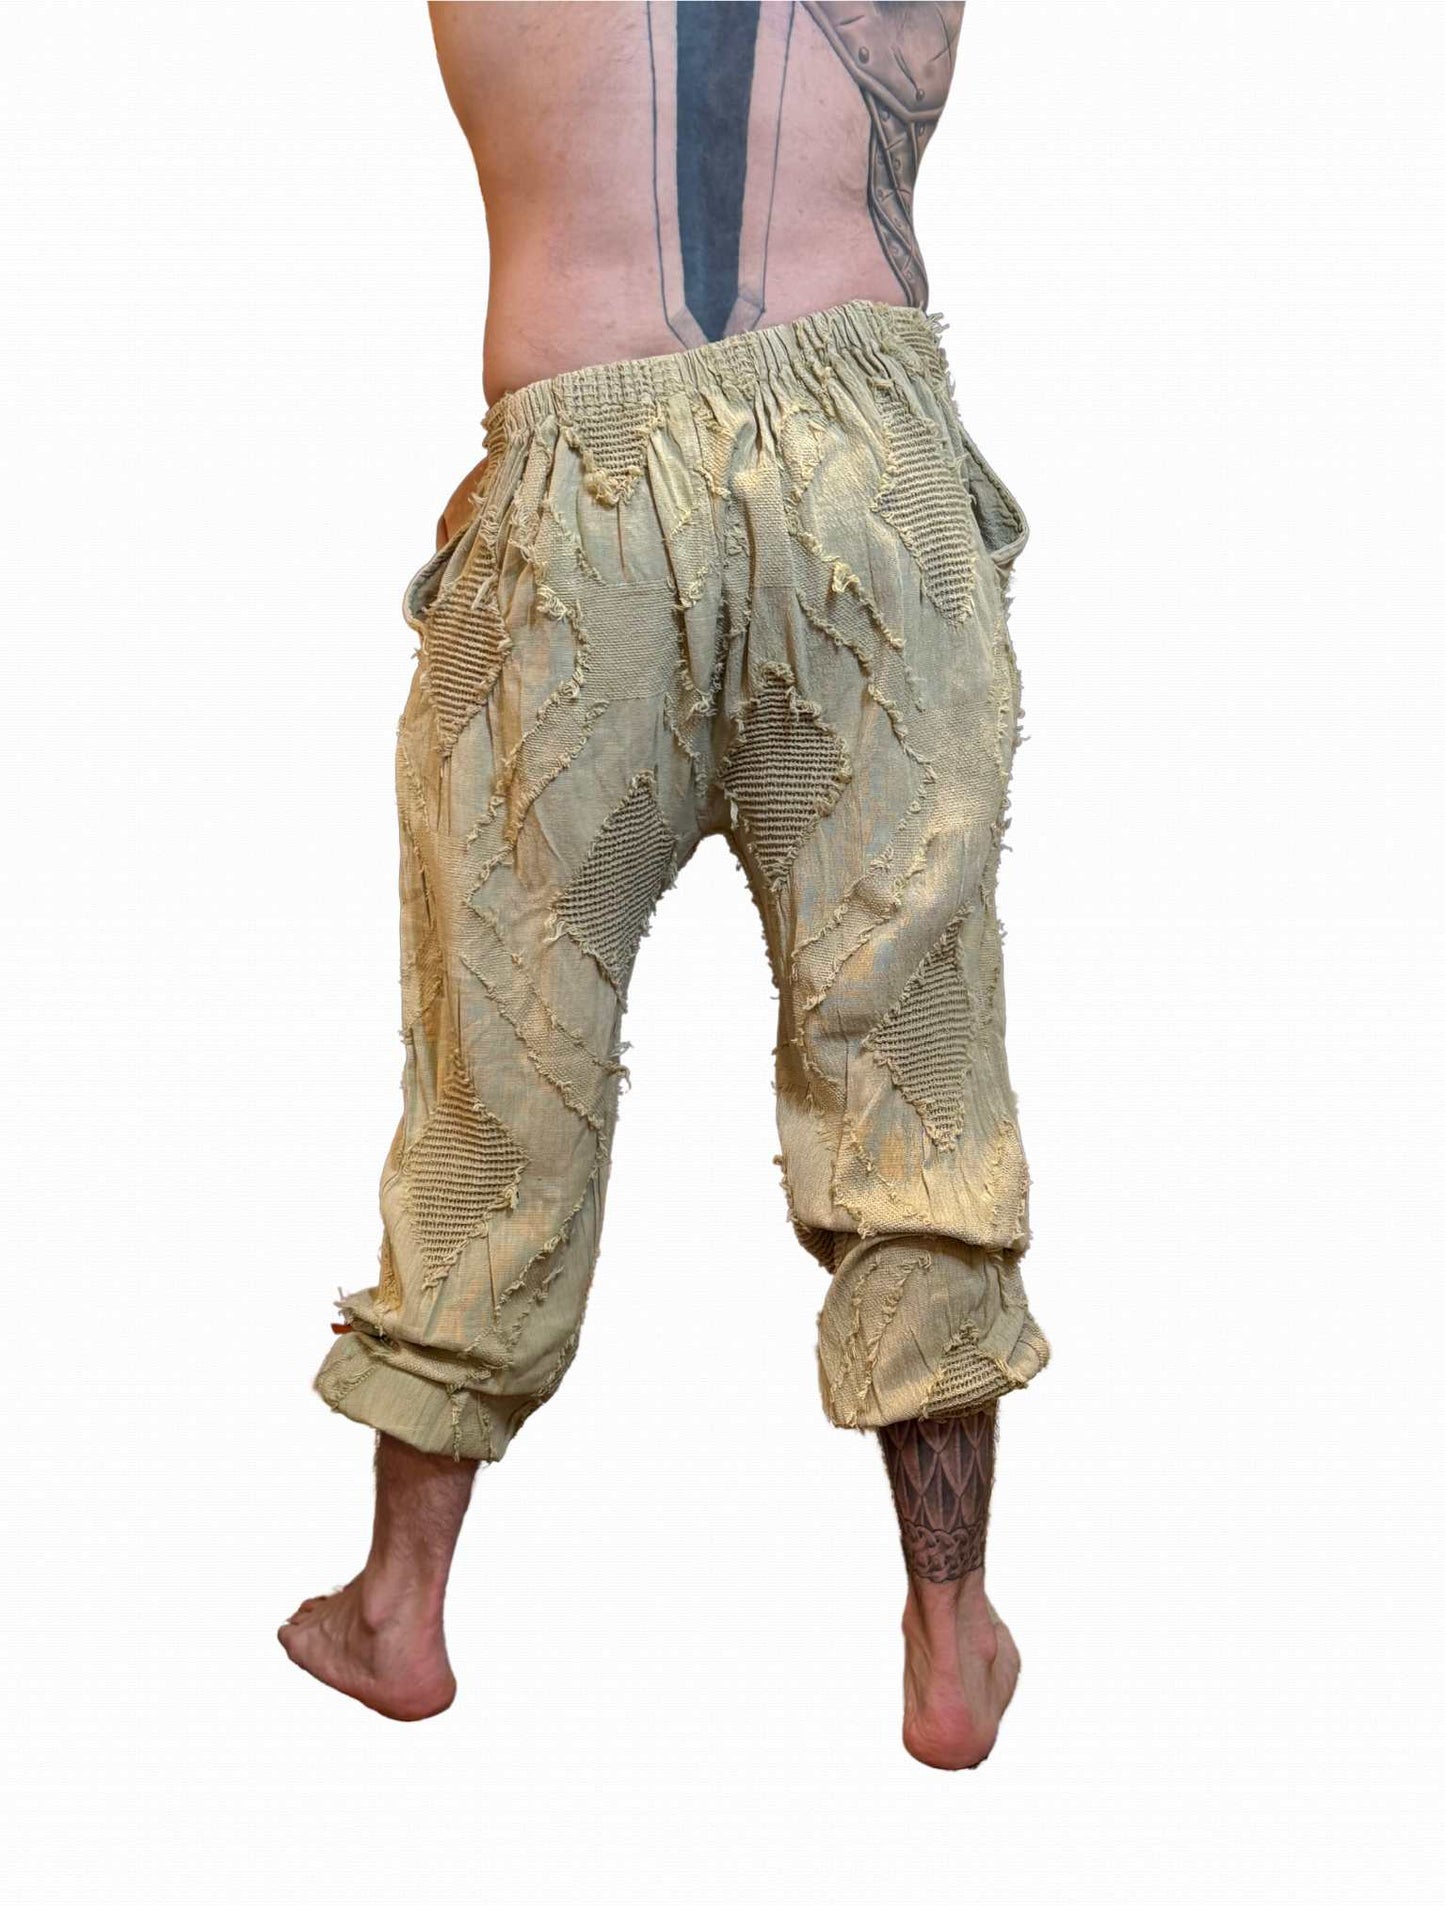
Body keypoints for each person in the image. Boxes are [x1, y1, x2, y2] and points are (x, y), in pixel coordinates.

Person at [278, 1, 1050, 1771]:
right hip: (861, 448)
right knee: (908, 1060)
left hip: (574, 463)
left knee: (504, 1066)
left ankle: (399, 1602)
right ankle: (949, 1636)